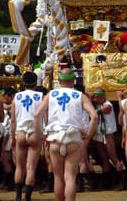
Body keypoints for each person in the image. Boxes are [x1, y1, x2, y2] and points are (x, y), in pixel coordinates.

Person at [34, 68, 98, 201]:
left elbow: (37, 114)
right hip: (73, 137)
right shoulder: (80, 95)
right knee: (70, 177)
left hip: (55, 137)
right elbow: (95, 117)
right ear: (73, 80)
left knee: (58, 177)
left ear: (59, 80)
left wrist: (41, 135)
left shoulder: (51, 94)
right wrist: (87, 137)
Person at [11, 72, 43, 201]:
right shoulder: (41, 96)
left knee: (19, 166)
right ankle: (27, 198)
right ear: (36, 83)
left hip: (20, 132)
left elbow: (13, 121)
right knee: (31, 168)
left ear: (23, 83)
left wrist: (13, 137)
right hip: (35, 132)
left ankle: (18, 197)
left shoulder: (16, 97)